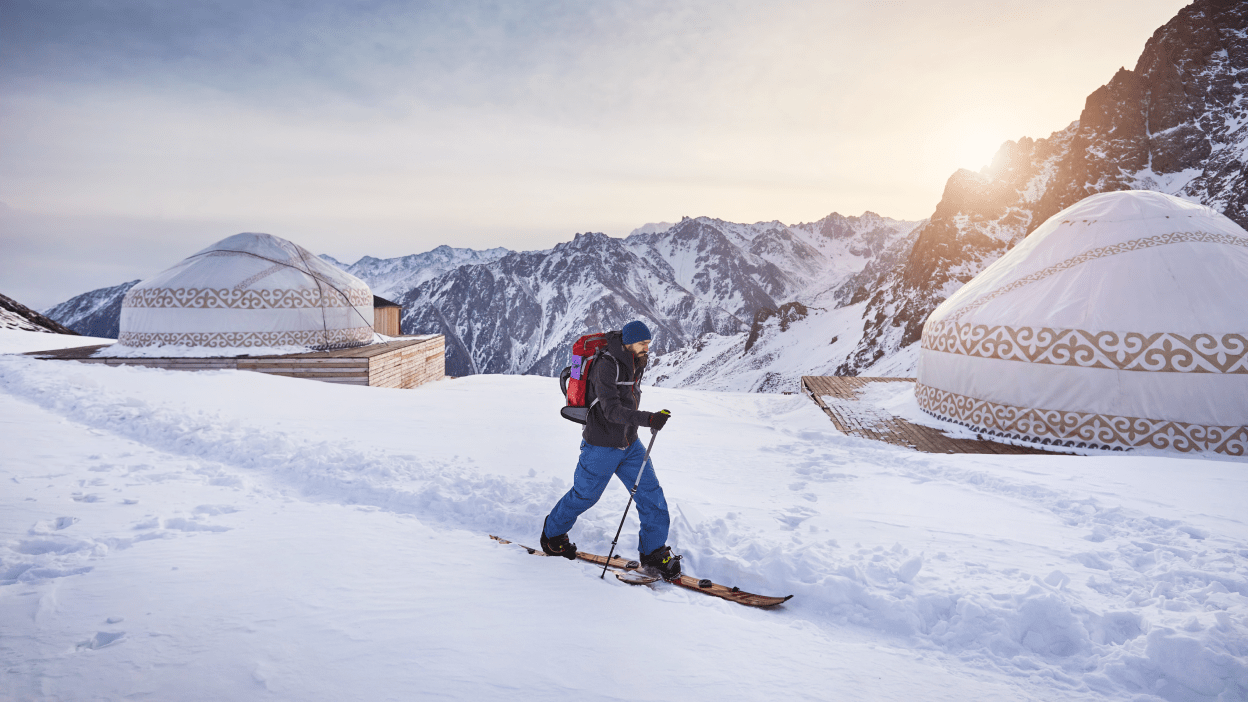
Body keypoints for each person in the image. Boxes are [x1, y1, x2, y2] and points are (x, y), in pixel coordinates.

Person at [540, 320, 682, 580]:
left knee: (651, 496)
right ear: (628, 342)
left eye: (648, 343)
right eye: (642, 343)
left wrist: (640, 423)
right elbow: (611, 411)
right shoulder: (606, 365)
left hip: (630, 444)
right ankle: (552, 535)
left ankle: (653, 553)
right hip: (601, 446)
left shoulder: (634, 361)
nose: (646, 348)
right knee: (584, 496)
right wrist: (648, 419)